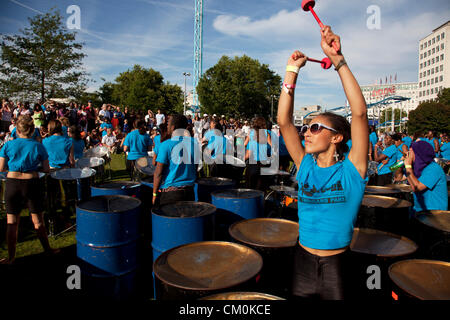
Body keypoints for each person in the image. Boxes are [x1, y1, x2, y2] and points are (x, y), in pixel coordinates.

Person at [277, 26, 368, 300]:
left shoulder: (352, 170)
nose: (306, 132)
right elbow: (283, 121)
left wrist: (338, 60)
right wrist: (291, 71)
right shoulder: (305, 165)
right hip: (301, 261)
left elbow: (360, 113)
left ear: (337, 137)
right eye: (306, 127)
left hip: (337, 268)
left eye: (316, 128)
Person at [0, 116, 57, 264]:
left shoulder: (7, 145)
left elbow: (1, 168)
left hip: (12, 183)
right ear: (32, 130)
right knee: (38, 222)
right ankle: (48, 250)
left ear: (17, 130)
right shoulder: (38, 146)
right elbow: (46, 169)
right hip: (32, 183)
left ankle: (11, 257)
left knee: (12, 222)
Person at [152, 114, 199, 207]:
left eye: (168, 124)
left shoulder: (166, 145)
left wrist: (154, 194)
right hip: (189, 192)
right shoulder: (194, 144)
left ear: (173, 127)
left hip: (171, 194)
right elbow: (195, 167)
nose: (167, 126)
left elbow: (158, 173)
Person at [404, 141, 447, 212]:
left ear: (419, 155)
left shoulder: (434, 168)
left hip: (434, 213)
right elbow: (398, 178)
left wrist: (408, 166)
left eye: (411, 152)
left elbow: (417, 188)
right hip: (419, 211)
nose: (408, 154)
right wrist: (400, 165)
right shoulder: (416, 168)